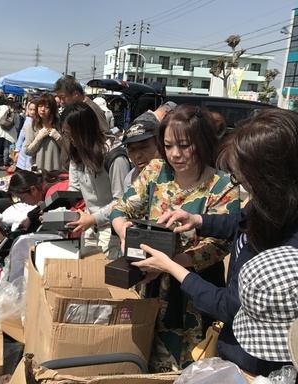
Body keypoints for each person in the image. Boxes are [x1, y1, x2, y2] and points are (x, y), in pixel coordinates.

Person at [132, 108, 298, 376]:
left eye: (247, 179)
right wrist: (198, 220)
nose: (243, 185)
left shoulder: (286, 246)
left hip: (257, 359)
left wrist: (172, 266)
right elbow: (238, 221)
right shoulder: (270, 203)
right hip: (233, 343)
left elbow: (227, 305)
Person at [110, 104, 240, 372]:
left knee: (187, 364)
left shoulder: (223, 186)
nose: (175, 154)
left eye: (184, 145)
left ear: (203, 143)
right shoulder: (156, 171)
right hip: (148, 283)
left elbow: (219, 244)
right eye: (168, 146)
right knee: (139, 354)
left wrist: (171, 264)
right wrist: (124, 232)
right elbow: (122, 207)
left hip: (194, 287)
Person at [61, 101, 130, 259]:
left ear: (84, 130)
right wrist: (56, 214)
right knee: (87, 272)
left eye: (71, 134)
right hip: (89, 225)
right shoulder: (78, 154)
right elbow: (74, 190)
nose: (70, 139)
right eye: (66, 134)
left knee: (106, 274)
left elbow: (121, 201)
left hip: (111, 228)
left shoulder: (114, 156)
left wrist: (93, 219)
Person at [23, 93, 62, 172]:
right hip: (38, 172)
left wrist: (58, 137)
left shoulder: (60, 126)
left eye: (47, 107)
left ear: (52, 109)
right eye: (40, 106)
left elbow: (67, 150)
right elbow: (27, 151)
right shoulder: (32, 127)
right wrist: (39, 137)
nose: (42, 109)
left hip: (57, 171)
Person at [122, 118, 160, 189]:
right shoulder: (130, 180)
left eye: (143, 147)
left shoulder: (178, 175)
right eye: (132, 149)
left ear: (159, 145)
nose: (137, 156)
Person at [0, 98, 19, 167]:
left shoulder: (2, 107)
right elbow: (17, 124)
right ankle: (5, 161)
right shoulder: (15, 111)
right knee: (7, 147)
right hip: (9, 131)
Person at [14, 101, 35, 171]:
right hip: (23, 152)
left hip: (32, 153)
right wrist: (17, 150)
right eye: (30, 109)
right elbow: (21, 136)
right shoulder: (28, 120)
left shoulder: (40, 122)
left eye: (34, 110)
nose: (32, 112)